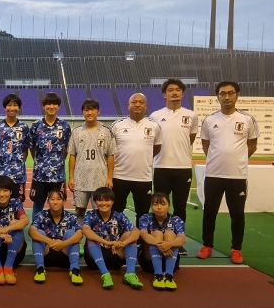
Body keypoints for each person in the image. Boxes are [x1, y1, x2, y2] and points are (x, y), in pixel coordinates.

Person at [198, 81, 259, 264]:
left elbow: (252, 145)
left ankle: (236, 249)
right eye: (223, 93)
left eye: (230, 93)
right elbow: (206, 145)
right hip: (213, 175)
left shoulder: (247, 119)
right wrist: (217, 160)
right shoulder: (209, 120)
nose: (226, 97)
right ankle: (207, 245)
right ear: (218, 96)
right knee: (209, 213)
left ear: (237, 95)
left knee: (237, 214)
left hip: (237, 176)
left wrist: (238, 159)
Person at [150, 78, 198, 256]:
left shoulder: (191, 116)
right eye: (170, 90)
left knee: (180, 207)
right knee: (159, 206)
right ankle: (159, 238)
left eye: (178, 90)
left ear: (182, 93)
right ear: (164, 94)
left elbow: (189, 139)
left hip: (183, 168)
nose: (174, 93)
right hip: (161, 167)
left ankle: (178, 241)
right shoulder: (155, 116)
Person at [109, 93, 162, 225]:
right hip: (119, 176)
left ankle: (140, 237)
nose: (137, 104)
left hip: (143, 177)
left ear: (146, 106)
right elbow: (108, 151)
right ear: (128, 105)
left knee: (143, 213)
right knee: (116, 210)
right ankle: (117, 235)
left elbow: (157, 147)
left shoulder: (154, 126)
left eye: (141, 102)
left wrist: (144, 157)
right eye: (134, 102)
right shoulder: (117, 125)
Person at [82, 187, 143, 290]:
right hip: (94, 259)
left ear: (112, 202)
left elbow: (136, 232)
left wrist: (123, 243)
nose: (103, 203)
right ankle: (105, 274)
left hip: (115, 255)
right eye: (100, 200)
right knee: (91, 238)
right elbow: (85, 230)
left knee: (130, 235)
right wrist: (106, 242)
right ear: (95, 202)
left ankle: (130, 273)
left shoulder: (119, 216)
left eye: (107, 200)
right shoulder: (91, 215)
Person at [68, 99, 116, 225]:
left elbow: (110, 155)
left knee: (100, 210)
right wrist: (71, 177)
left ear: (98, 111)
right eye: (86, 110)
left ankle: (98, 234)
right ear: (82, 112)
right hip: (80, 178)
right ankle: (79, 233)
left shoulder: (106, 131)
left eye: (92, 109)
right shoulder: (77, 132)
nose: (89, 112)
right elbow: (72, 156)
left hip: (100, 178)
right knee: (79, 210)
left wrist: (110, 178)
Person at [29, 92, 71, 220]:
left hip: (57, 175)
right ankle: (35, 227)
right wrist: (39, 161)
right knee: (38, 204)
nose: (51, 106)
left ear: (58, 106)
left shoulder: (65, 126)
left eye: (54, 104)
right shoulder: (36, 126)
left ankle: (57, 227)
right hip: (40, 174)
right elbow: (32, 147)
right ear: (43, 106)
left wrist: (58, 161)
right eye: (48, 104)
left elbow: (66, 148)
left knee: (57, 204)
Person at [28, 188, 83, 285]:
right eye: (52, 199)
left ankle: (74, 269)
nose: (55, 202)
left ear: (64, 201)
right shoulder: (41, 215)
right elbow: (31, 231)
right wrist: (51, 242)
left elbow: (80, 234)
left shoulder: (71, 217)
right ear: (48, 202)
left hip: (65, 256)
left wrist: (63, 243)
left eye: (58, 199)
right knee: (38, 233)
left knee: (71, 233)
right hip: (46, 255)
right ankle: (40, 268)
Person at [138, 192, 185, 291]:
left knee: (170, 234)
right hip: (149, 261)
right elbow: (143, 234)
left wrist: (170, 244)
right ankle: (158, 275)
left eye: (163, 204)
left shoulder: (176, 220)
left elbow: (182, 238)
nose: (159, 207)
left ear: (169, 206)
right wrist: (161, 245)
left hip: (171, 259)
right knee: (157, 233)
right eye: (155, 204)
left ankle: (169, 276)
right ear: (151, 206)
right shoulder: (145, 218)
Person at [0, 94, 30, 202]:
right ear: (5, 107)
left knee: (18, 203)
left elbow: (25, 149)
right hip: (1, 173)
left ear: (19, 107)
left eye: (15, 105)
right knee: (0, 202)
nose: (12, 108)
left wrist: (19, 163)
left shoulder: (24, 127)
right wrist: (1, 163)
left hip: (18, 174)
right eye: (9, 105)